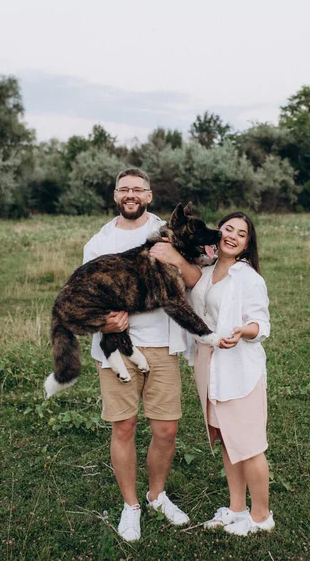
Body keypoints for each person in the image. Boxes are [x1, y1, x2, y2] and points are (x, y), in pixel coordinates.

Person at [83, 167, 201, 542]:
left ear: (149, 196)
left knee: (166, 428)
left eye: (138, 189)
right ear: (115, 195)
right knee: (125, 426)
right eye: (124, 189)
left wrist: (175, 258)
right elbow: (83, 295)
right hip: (117, 347)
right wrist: (105, 322)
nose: (130, 194)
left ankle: (157, 495)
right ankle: (131, 505)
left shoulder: (171, 233)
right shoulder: (98, 243)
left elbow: (196, 279)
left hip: (164, 344)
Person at [188, 211, 275, 536]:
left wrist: (243, 332)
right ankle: (237, 508)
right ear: (218, 232)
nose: (233, 236)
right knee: (228, 441)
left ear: (247, 244)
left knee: (249, 444)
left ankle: (261, 515)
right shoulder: (207, 271)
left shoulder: (248, 277)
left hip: (238, 369)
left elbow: (261, 323)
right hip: (209, 366)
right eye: (228, 229)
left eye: (241, 233)